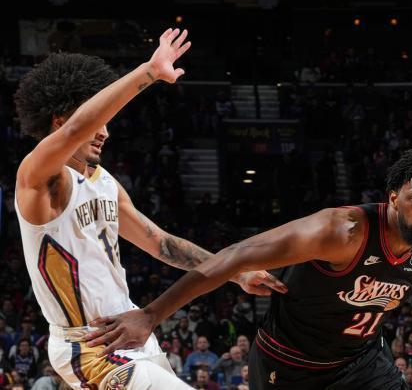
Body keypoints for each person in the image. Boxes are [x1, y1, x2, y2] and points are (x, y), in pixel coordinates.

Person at [85, 148, 412, 389]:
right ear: (393, 198)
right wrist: (151, 315)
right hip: (289, 364)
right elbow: (235, 255)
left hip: (361, 363)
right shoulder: (340, 231)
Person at [13, 28, 283, 389]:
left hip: (132, 331)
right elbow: (78, 127)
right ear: (59, 121)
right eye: (97, 122)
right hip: (89, 345)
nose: (105, 132)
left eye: (106, 124)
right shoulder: (39, 179)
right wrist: (149, 72)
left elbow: (162, 244)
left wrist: (235, 274)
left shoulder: (105, 183)